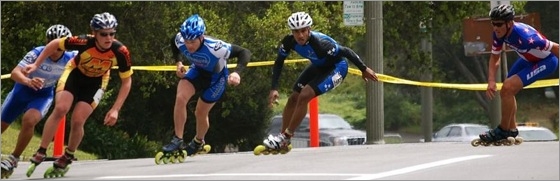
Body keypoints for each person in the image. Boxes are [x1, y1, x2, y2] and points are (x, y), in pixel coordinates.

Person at [23, 12, 133, 173]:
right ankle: (41, 150)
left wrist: (116, 109)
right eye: (103, 34)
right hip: (75, 73)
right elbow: (54, 44)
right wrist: (35, 65)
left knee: (78, 119)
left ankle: (68, 155)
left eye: (112, 33)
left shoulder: (121, 51)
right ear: (94, 33)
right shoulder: (83, 41)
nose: (108, 38)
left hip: (97, 81)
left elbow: (127, 81)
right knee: (61, 108)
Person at [263, 12, 378, 150]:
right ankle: (282, 138)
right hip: (319, 66)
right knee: (293, 98)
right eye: (296, 31)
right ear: (291, 32)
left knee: (305, 95)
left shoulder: (321, 44)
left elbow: (346, 51)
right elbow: (279, 62)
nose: (300, 35)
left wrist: (363, 69)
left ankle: (286, 137)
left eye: (303, 31)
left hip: (337, 67)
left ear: (309, 30)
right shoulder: (288, 42)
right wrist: (274, 88)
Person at [162, 14, 251, 156]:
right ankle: (177, 139)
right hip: (197, 71)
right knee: (180, 98)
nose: (189, 45)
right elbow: (173, 41)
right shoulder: (180, 39)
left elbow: (244, 52)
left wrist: (237, 73)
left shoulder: (215, 47)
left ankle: (199, 141)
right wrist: (178, 62)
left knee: (200, 112)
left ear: (201, 37)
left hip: (216, 79)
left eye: (193, 42)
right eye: (186, 41)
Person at [0, 24, 75, 179]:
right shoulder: (37, 53)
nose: (55, 51)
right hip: (22, 91)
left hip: (43, 95)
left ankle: (14, 158)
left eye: (59, 48)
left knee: (29, 120)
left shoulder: (71, 57)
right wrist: (28, 81)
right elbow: (15, 72)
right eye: (51, 45)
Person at [480, 4, 559, 142]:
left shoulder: (525, 36)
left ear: (509, 23)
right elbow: (495, 58)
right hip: (527, 58)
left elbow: (556, 48)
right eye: (493, 24)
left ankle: (502, 130)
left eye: (498, 24)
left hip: (546, 61)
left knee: (508, 87)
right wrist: (491, 80)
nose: (495, 28)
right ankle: (511, 129)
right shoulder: (498, 34)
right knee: (506, 90)